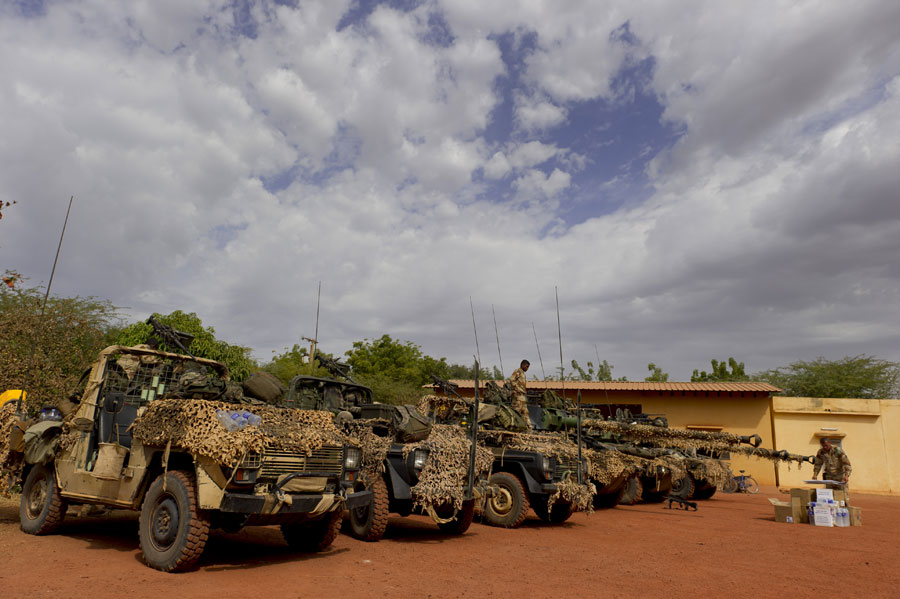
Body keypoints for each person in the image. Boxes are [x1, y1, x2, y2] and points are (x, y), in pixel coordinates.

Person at [508, 359, 532, 430]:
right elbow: (511, 380)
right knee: (516, 411)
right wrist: (516, 388)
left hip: (522, 395)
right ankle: (513, 427)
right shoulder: (518, 371)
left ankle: (528, 428)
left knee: (525, 412)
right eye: (527, 366)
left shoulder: (523, 373)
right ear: (523, 365)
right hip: (517, 396)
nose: (527, 368)